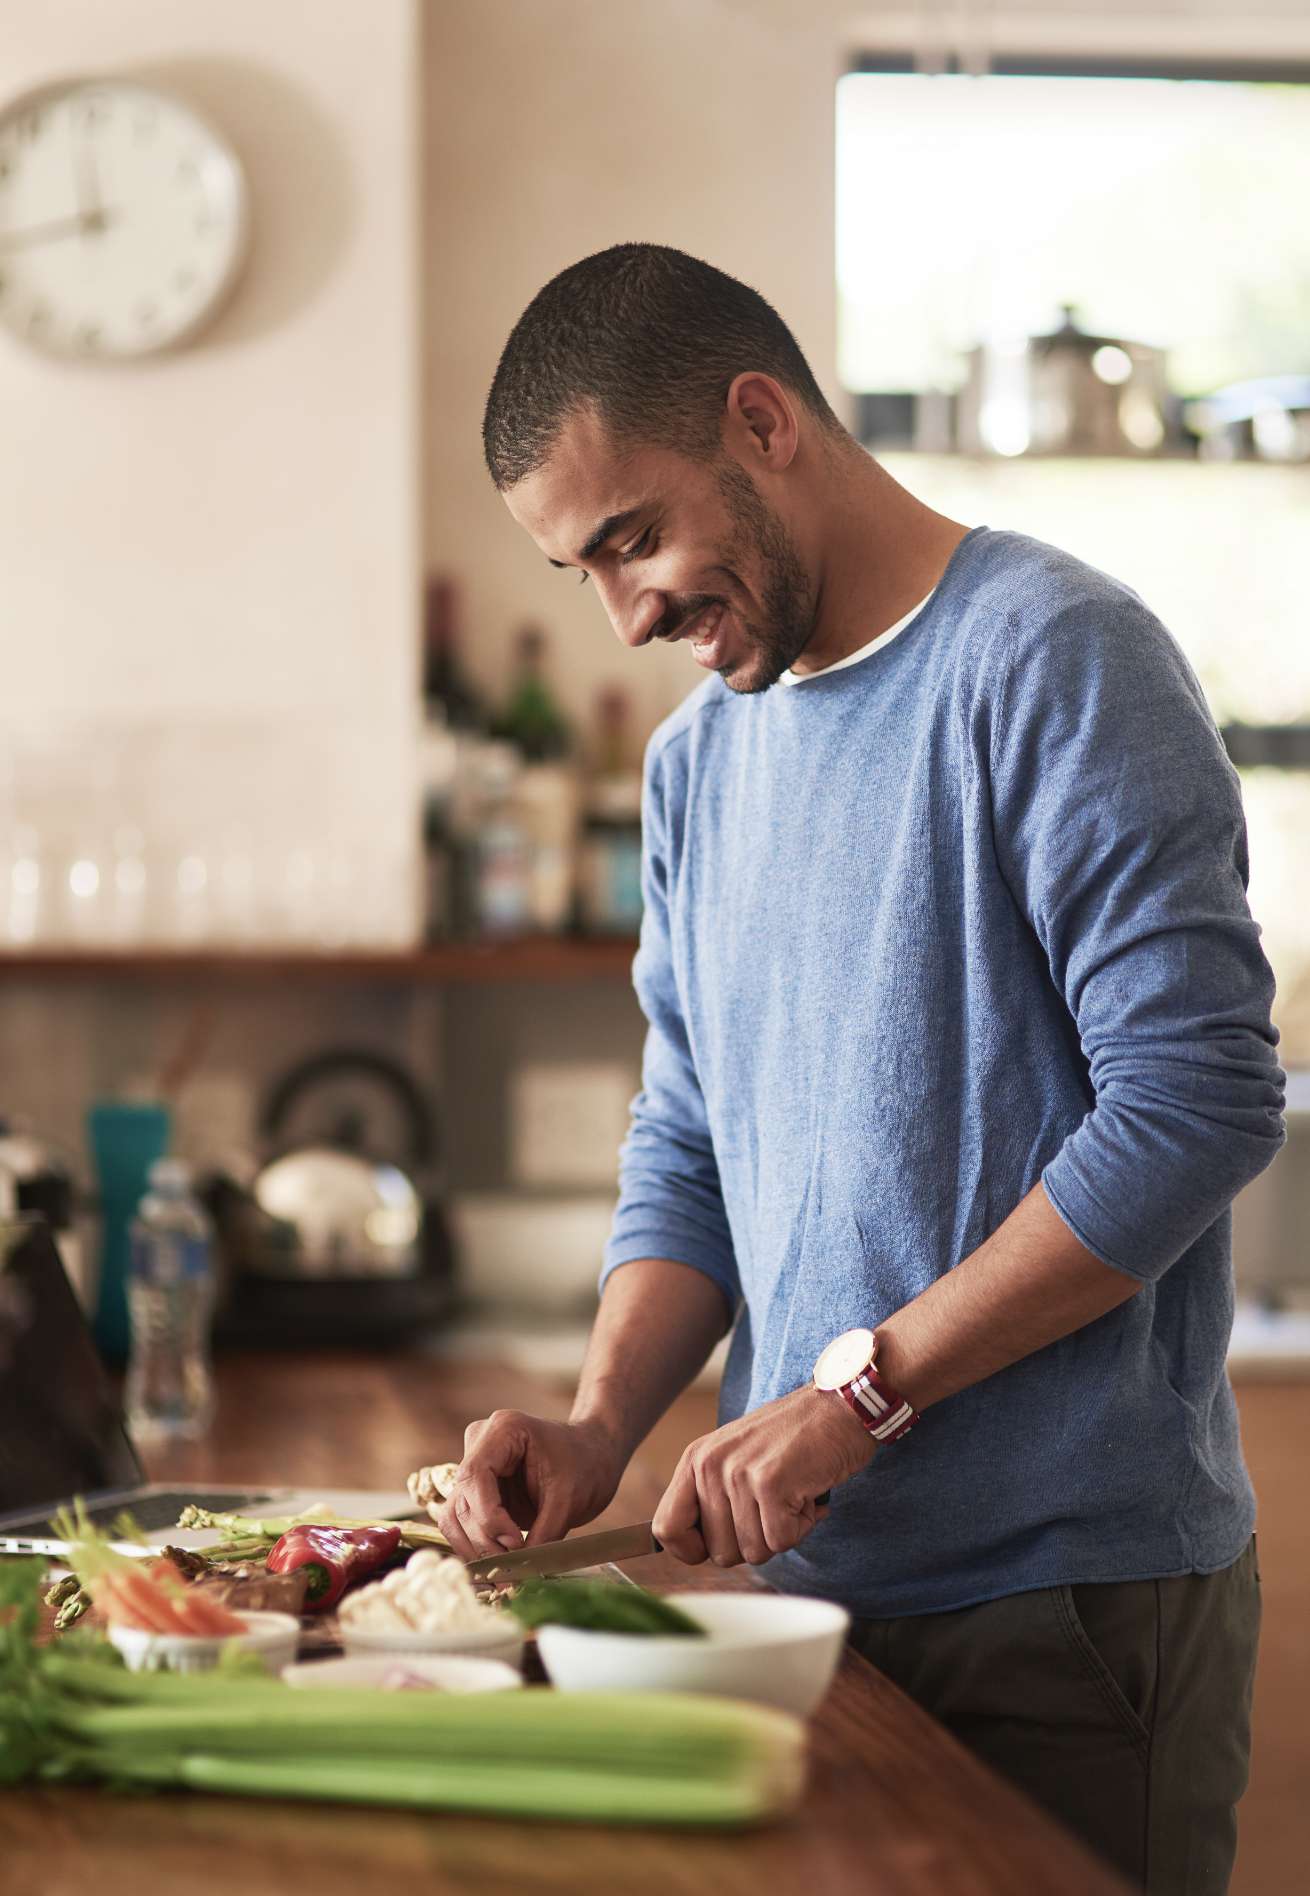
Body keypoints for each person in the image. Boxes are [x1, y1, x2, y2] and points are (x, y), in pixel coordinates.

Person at [435, 244, 1283, 1894]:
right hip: (808, 1596)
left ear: (762, 423)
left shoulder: (1055, 660)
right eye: (581, 570)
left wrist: (859, 1396)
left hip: (1064, 1606)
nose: (627, 614)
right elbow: (692, 1135)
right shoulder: (695, 764)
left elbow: (1194, 1100)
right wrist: (603, 1424)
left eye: (635, 538)